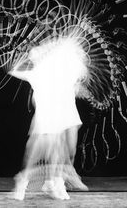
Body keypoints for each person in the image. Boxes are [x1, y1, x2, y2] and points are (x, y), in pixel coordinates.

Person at [9, 38, 88, 200]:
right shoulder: (36, 74)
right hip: (45, 119)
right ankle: (24, 182)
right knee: (35, 153)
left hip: (59, 117)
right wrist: (23, 58)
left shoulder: (65, 73)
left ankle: (55, 183)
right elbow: (14, 70)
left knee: (59, 151)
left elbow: (80, 72)